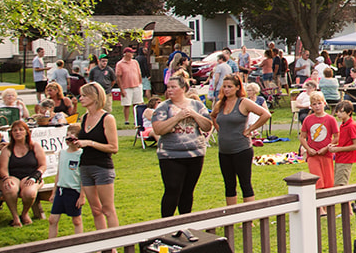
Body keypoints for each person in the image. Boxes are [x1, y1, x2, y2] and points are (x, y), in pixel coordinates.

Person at [152, 73, 212, 216]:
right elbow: (158, 129)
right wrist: (177, 117)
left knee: (188, 191)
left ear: (184, 88)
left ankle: (185, 223)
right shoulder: (163, 107)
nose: (170, 90)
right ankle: (167, 224)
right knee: (172, 189)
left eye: (174, 87)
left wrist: (194, 115)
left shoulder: (196, 105)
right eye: (168, 87)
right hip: (171, 155)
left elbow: (207, 126)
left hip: (195, 154)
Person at [213, 73, 270, 204]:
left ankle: (247, 218)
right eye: (224, 87)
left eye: (230, 87)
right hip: (224, 151)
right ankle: (232, 216)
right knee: (229, 184)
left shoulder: (243, 103)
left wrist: (250, 129)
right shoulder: (221, 104)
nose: (226, 89)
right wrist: (219, 130)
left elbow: (265, 114)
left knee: (245, 183)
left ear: (237, 88)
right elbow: (213, 116)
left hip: (241, 149)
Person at [72, 82, 120, 231]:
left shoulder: (107, 118)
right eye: (81, 95)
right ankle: (102, 244)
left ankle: (114, 245)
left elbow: (113, 148)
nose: (81, 98)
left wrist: (90, 143)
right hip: (85, 165)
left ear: (95, 97)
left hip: (102, 167)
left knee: (107, 209)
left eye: (85, 95)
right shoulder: (84, 117)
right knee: (95, 210)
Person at [0, 119, 46, 227]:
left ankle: (25, 213)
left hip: (30, 175)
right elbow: (3, 169)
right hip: (13, 176)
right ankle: (15, 217)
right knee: (10, 188)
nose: (17, 132)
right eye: (14, 130)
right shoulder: (7, 149)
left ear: (26, 132)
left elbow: (43, 165)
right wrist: (6, 178)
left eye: (20, 130)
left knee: (29, 192)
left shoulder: (35, 147)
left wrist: (34, 177)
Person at [47, 127, 84, 238]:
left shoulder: (81, 154)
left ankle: (79, 244)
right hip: (61, 190)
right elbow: (59, 173)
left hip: (74, 190)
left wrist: (82, 196)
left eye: (72, 137)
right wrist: (54, 192)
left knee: (76, 220)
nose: (69, 140)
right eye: (67, 137)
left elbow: (83, 177)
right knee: (52, 219)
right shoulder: (62, 153)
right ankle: (51, 246)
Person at [301, 95, 339, 188]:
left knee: (328, 182)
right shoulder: (308, 119)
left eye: (319, 103)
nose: (317, 106)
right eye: (314, 104)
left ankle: (329, 202)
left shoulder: (331, 119)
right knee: (317, 181)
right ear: (311, 106)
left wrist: (326, 148)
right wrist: (308, 149)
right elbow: (302, 137)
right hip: (313, 154)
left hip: (326, 154)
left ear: (324, 104)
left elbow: (337, 137)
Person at [115, 47, 144, 122]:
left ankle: (136, 120)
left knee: (137, 104)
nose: (132, 54)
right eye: (131, 53)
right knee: (127, 104)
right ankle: (126, 120)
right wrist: (121, 89)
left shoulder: (135, 62)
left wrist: (140, 84)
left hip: (136, 85)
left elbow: (139, 73)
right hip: (126, 86)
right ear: (126, 54)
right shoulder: (120, 64)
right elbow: (118, 77)